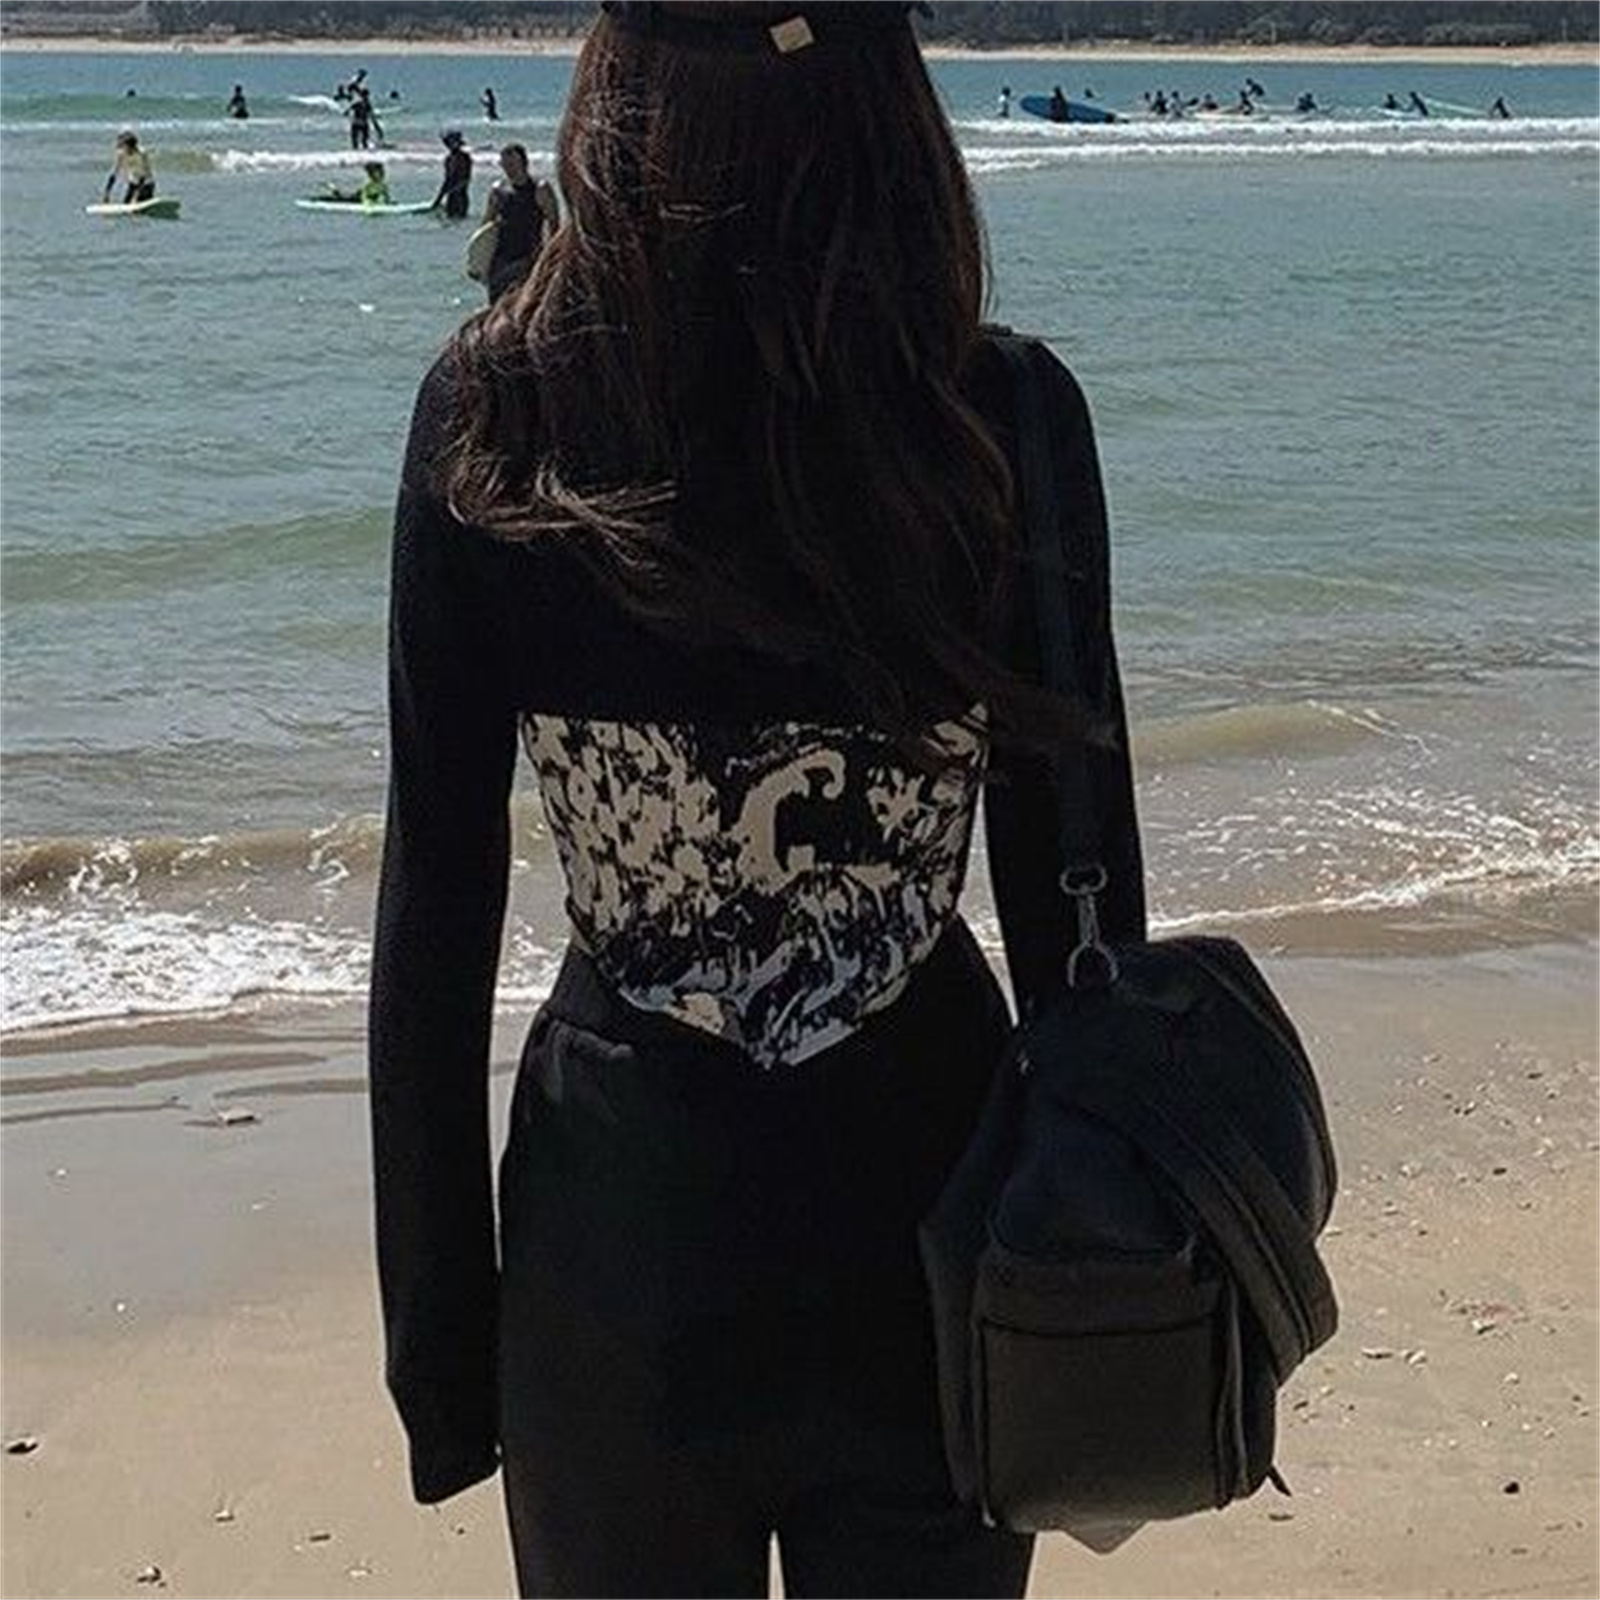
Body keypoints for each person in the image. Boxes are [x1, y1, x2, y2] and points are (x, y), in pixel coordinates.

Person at [369, 2, 1144, 1596]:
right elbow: (1076, 890)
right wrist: (1113, 1270)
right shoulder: (994, 419)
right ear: (890, 108)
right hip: (935, 1219)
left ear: (614, 94)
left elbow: (435, 905)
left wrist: (442, 1348)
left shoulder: (498, 412)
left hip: (618, 1232)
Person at [481, 142, 558, 303]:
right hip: (500, 259)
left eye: (513, 163)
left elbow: (554, 225)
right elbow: (486, 225)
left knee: (526, 305)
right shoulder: (498, 190)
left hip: (528, 258)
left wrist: (550, 258)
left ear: (524, 163)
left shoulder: (540, 189)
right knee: (496, 305)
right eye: (505, 164)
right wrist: (479, 260)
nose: (509, 168)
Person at [103, 130, 154, 204]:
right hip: (133, 184)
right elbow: (114, 173)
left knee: (139, 203)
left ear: (130, 146)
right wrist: (107, 193)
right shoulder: (121, 154)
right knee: (127, 204)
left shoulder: (141, 153)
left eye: (122, 145)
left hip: (146, 184)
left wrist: (135, 197)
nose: (120, 147)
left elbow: (143, 176)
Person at [432, 129, 474, 219]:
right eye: (448, 142)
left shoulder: (465, 158)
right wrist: (438, 199)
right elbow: (447, 180)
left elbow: (466, 179)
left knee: (458, 220)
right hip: (451, 197)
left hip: (460, 197)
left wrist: (453, 190)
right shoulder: (448, 159)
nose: (449, 145)